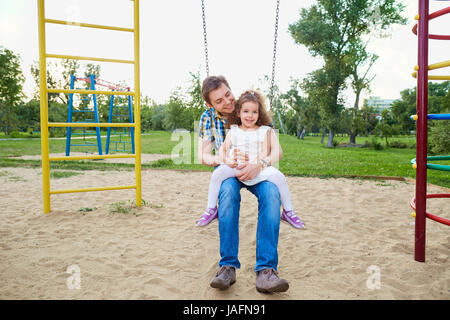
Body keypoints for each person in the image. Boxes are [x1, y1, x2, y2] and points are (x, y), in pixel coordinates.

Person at [197, 75, 289, 293]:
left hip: (259, 170)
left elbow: (274, 149)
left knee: (272, 194)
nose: (227, 102)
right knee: (228, 192)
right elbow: (203, 156)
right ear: (210, 104)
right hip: (230, 171)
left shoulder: (251, 107)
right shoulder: (208, 118)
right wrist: (223, 159)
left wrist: (260, 163)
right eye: (219, 101)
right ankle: (227, 266)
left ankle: (266, 271)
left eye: (228, 94)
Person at [198, 89, 305, 230]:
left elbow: (277, 152)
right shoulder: (234, 130)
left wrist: (260, 163)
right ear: (238, 113)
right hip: (236, 167)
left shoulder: (266, 130)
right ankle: (211, 209)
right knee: (217, 174)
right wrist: (227, 160)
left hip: (258, 169)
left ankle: (288, 211)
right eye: (246, 111)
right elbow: (222, 150)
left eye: (255, 112)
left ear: (259, 113)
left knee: (280, 178)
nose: (250, 115)